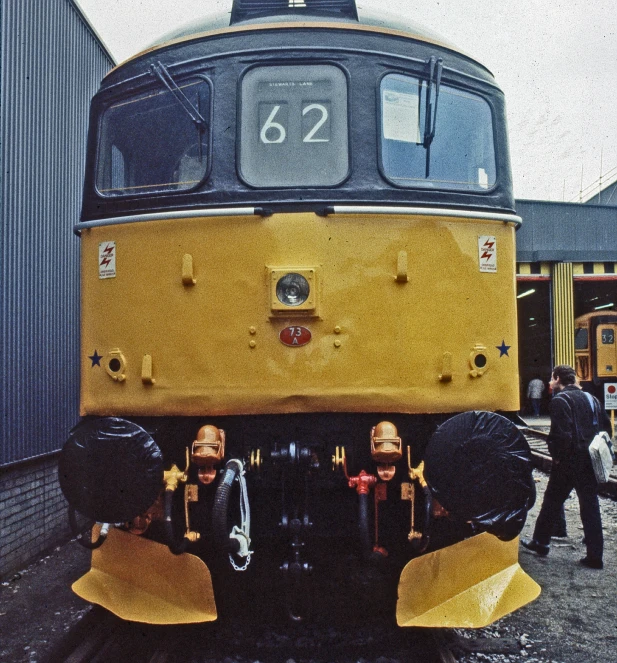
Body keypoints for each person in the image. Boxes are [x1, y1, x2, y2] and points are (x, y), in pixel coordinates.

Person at [521, 364, 611, 569]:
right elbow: (606, 428)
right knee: (590, 505)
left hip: (569, 462)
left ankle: (541, 543)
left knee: (551, 501)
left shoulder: (560, 400)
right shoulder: (592, 398)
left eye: (551, 379)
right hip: (590, 461)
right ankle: (595, 556)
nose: (549, 383)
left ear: (558, 378)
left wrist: (558, 458)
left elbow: (561, 435)